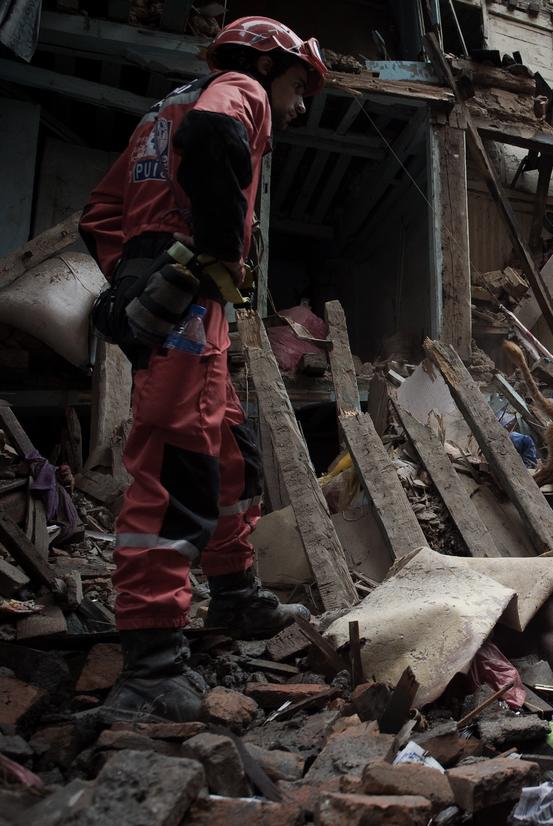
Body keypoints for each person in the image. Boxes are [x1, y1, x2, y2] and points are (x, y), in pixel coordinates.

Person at [79, 17, 328, 721]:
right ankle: (152, 661)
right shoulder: (238, 89)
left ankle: (236, 596)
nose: (298, 107)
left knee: (227, 452)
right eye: (299, 88)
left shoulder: (161, 111)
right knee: (177, 462)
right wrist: (210, 255)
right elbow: (214, 139)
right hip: (186, 295)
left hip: (166, 291)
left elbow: (101, 213)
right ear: (267, 65)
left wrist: (130, 282)